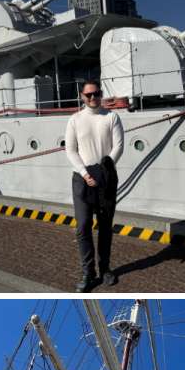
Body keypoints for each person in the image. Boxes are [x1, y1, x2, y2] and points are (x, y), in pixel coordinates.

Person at [64, 80, 124, 292]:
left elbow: (118, 146)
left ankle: (105, 268)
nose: (92, 98)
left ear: (100, 94)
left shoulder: (112, 117)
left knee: (105, 226)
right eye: (88, 95)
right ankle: (88, 273)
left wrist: (103, 170)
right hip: (82, 179)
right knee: (82, 227)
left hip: (106, 177)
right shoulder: (75, 119)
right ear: (82, 96)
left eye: (96, 94)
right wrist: (85, 173)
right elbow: (71, 149)